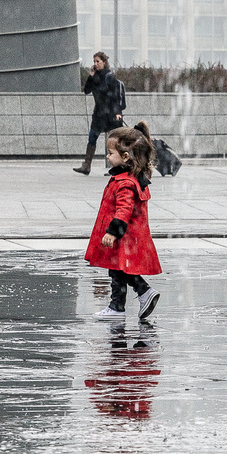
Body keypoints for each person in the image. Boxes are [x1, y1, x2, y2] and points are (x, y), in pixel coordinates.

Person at [84, 121, 161, 320]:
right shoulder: (129, 178)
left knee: (120, 269)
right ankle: (117, 305)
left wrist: (112, 232)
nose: (108, 157)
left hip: (124, 237)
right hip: (129, 236)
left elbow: (124, 210)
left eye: (110, 153)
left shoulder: (125, 182)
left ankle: (142, 292)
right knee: (117, 270)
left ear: (125, 156)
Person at [74, 51, 125, 175]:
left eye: (98, 61)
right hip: (98, 114)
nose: (96, 64)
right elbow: (86, 91)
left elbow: (115, 96)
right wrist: (90, 76)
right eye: (94, 62)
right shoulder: (95, 76)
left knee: (112, 142)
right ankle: (87, 166)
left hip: (110, 114)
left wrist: (117, 112)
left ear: (104, 62)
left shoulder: (109, 76)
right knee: (92, 137)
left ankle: (117, 167)